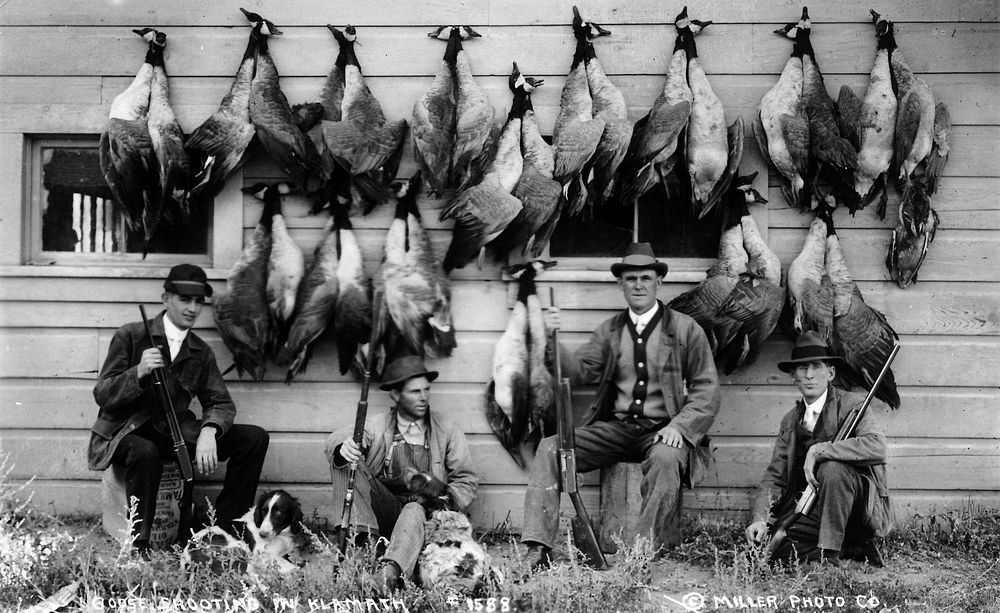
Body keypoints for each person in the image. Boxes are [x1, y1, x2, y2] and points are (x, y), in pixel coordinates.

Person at [522, 242, 721, 565]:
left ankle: (640, 554)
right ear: (620, 284)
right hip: (616, 430)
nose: (638, 285)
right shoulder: (611, 331)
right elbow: (577, 373)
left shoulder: (685, 329)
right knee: (549, 448)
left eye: (645, 278)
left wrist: (680, 427)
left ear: (659, 282)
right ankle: (537, 547)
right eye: (631, 279)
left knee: (667, 460)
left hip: (662, 431)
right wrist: (550, 337)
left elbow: (707, 389)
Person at [88, 264, 270, 555]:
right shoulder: (131, 336)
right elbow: (103, 394)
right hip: (125, 432)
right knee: (144, 451)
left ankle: (224, 529)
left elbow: (220, 402)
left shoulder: (200, 351)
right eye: (185, 299)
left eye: (199, 302)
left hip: (174, 431)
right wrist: (138, 371)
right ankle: (141, 544)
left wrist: (210, 430)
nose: (193, 308)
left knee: (254, 438)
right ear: (165, 299)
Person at [326, 355, 479, 593]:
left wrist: (442, 502)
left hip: (426, 520)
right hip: (382, 516)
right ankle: (361, 549)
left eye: (426, 390)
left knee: (413, 508)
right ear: (396, 395)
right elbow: (343, 436)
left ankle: (388, 576)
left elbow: (466, 481)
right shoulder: (378, 426)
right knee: (347, 462)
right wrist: (345, 446)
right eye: (414, 392)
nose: (423, 397)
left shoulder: (446, 430)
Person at [745, 331, 893, 566]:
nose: (810, 375)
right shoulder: (790, 421)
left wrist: (820, 451)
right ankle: (847, 547)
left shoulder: (853, 406)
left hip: (856, 510)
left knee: (832, 468)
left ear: (831, 373)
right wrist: (760, 519)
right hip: (811, 508)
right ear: (793, 375)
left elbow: (877, 447)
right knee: (773, 552)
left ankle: (830, 555)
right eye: (802, 368)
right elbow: (775, 477)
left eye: (816, 366)